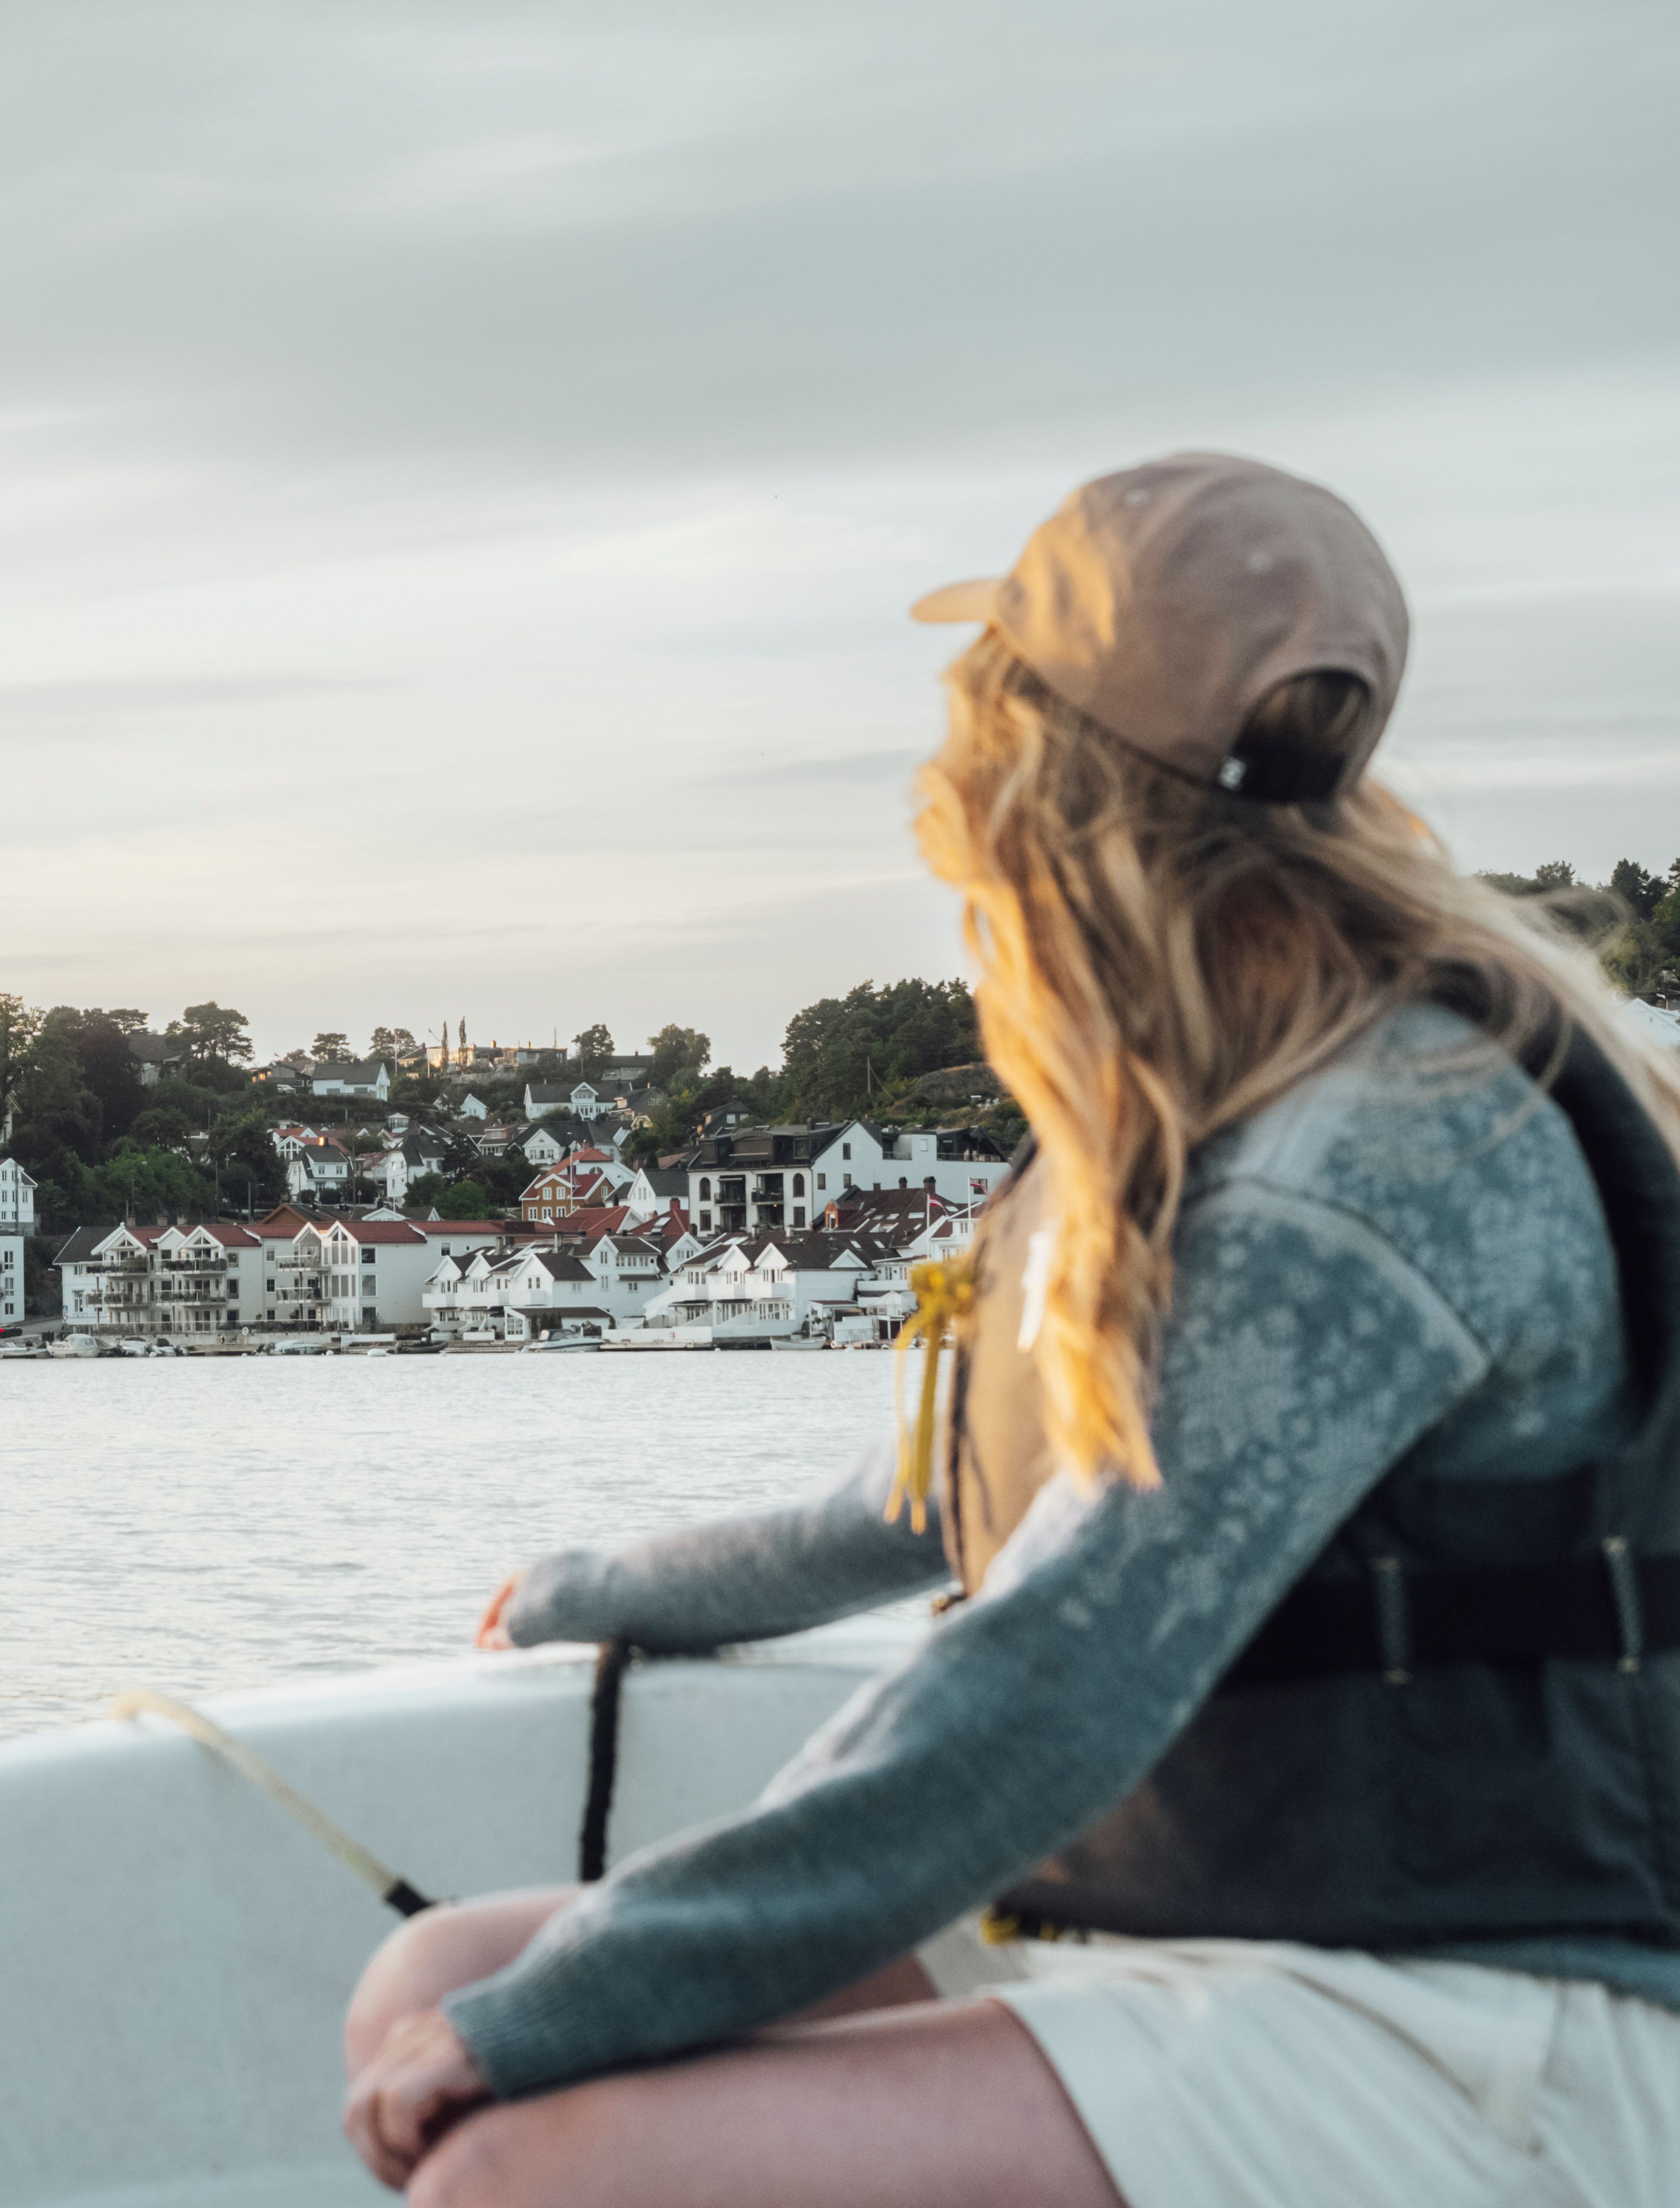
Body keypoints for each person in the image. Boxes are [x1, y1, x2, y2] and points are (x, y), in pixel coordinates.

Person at [341, 453, 1680, 2208]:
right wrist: (592, 1585)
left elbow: (1056, 1668)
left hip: (1480, 2014)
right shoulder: (1227, 1112)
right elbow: (928, 1507)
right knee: (430, 1984)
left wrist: (572, 2014)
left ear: (1032, 783)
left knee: (524, 2160)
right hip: (1224, 1919)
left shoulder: (1381, 1152)